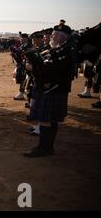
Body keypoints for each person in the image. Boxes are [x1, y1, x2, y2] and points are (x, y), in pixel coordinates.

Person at [24, 24, 74, 157]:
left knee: (45, 120)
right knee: (51, 120)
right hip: (55, 89)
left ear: (61, 37)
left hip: (51, 89)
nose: (51, 36)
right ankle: (48, 147)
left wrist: (32, 68)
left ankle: (43, 148)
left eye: (54, 34)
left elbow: (49, 72)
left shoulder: (62, 52)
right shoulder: (61, 50)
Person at [12, 32, 31, 100]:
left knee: (24, 79)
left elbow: (23, 54)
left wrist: (16, 53)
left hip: (25, 64)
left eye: (22, 38)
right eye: (21, 38)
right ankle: (22, 92)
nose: (21, 40)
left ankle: (22, 93)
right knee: (21, 78)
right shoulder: (22, 45)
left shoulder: (27, 45)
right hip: (21, 64)